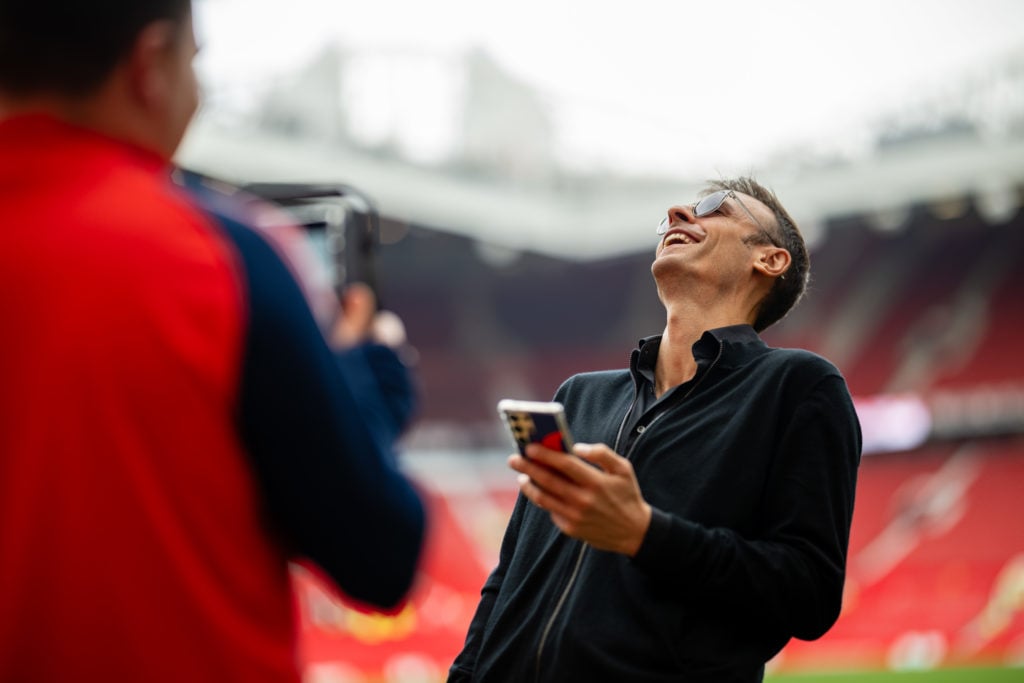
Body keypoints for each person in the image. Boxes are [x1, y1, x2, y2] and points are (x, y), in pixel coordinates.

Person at [0, 2, 425, 682]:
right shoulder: (222, 255)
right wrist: (370, 374)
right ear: (150, 66)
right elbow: (380, 555)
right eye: (194, 63)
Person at [450, 177, 862, 682]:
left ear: (770, 260)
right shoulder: (578, 396)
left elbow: (810, 594)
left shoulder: (799, 387)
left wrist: (645, 535)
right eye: (679, 209)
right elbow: (509, 575)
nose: (677, 214)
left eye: (714, 208)